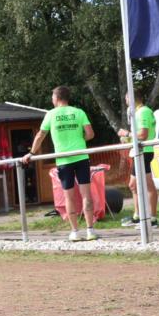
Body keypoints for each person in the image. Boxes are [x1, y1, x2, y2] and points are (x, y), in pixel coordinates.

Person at [22, 85, 98, 241]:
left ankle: (75, 232)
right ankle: (90, 230)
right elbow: (90, 134)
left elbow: (40, 136)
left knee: (69, 197)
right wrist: (78, 140)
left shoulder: (50, 114)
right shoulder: (79, 112)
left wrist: (31, 153)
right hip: (81, 156)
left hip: (63, 160)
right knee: (86, 195)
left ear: (56, 98)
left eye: (52, 98)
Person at [119, 88, 159, 228]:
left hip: (144, 152)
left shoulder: (143, 112)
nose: (125, 102)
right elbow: (136, 136)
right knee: (133, 185)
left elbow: (143, 135)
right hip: (137, 151)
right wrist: (127, 139)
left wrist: (127, 133)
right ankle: (138, 216)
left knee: (147, 185)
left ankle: (152, 219)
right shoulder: (137, 112)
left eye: (126, 99)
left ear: (131, 98)